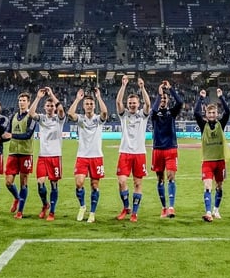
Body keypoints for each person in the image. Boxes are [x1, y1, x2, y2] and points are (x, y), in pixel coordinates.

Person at [67, 87, 109, 223]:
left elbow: (105, 112)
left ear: (93, 106)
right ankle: (82, 206)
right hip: (82, 156)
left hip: (96, 156)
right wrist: (78, 99)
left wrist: (99, 97)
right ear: (84, 106)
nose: (89, 106)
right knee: (79, 183)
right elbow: (70, 113)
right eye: (87, 104)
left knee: (94, 185)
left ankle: (92, 212)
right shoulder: (80, 119)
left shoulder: (98, 119)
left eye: (91, 104)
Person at [115, 75, 151, 222]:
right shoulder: (123, 115)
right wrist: (123, 85)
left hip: (139, 153)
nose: (132, 105)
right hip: (124, 152)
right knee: (122, 181)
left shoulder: (143, 115)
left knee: (137, 183)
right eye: (130, 103)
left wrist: (142, 88)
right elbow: (118, 101)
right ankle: (126, 207)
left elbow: (148, 104)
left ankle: (134, 213)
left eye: (134, 103)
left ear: (138, 103)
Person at [29, 87, 65, 221]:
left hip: (55, 156)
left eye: (51, 106)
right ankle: (45, 204)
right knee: (40, 183)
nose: (50, 107)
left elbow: (61, 109)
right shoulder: (42, 118)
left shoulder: (59, 119)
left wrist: (52, 95)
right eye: (48, 105)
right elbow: (31, 113)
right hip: (43, 156)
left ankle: (52, 212)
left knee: (54, 184)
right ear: (44, 107)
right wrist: (38, 97)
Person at [194, 87, 230, 222]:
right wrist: (201, 98)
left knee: (219, 186)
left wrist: (221, 97)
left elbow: (228, 111)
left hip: (220, 161)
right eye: (209, 113)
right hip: (207, 161)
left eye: (214, 112)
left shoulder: (222, 123)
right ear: (206, 114)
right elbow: (196, 113)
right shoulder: (203, 125)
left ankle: (216, 209)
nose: (212, 115)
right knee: (208, 186)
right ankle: (208, 212)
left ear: (217, 113)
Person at [150, 79, 182, 218]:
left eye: (165, 98)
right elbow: (152, 111)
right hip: (157, 149)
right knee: (160, 179)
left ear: (168, 100)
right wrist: (159, 94)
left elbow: (180, 103)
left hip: (170, 148)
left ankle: (171, 207)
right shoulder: (155, 114)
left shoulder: (172, 113)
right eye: (161, 98)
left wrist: (170, 89)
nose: (163, 100)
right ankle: (163, 207)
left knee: (171, 177)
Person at [4, 92, 36, 219]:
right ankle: (17, 198)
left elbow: (28, 135)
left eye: (24, 100)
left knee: (23, 182)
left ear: (28, 102)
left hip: (25, 154)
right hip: (13, 153)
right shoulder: (13, 116)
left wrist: (12, 136)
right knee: (8, 182)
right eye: (20, 100)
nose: (21, 102)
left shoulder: (31, 117)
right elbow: (8, 134)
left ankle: (20, 211)